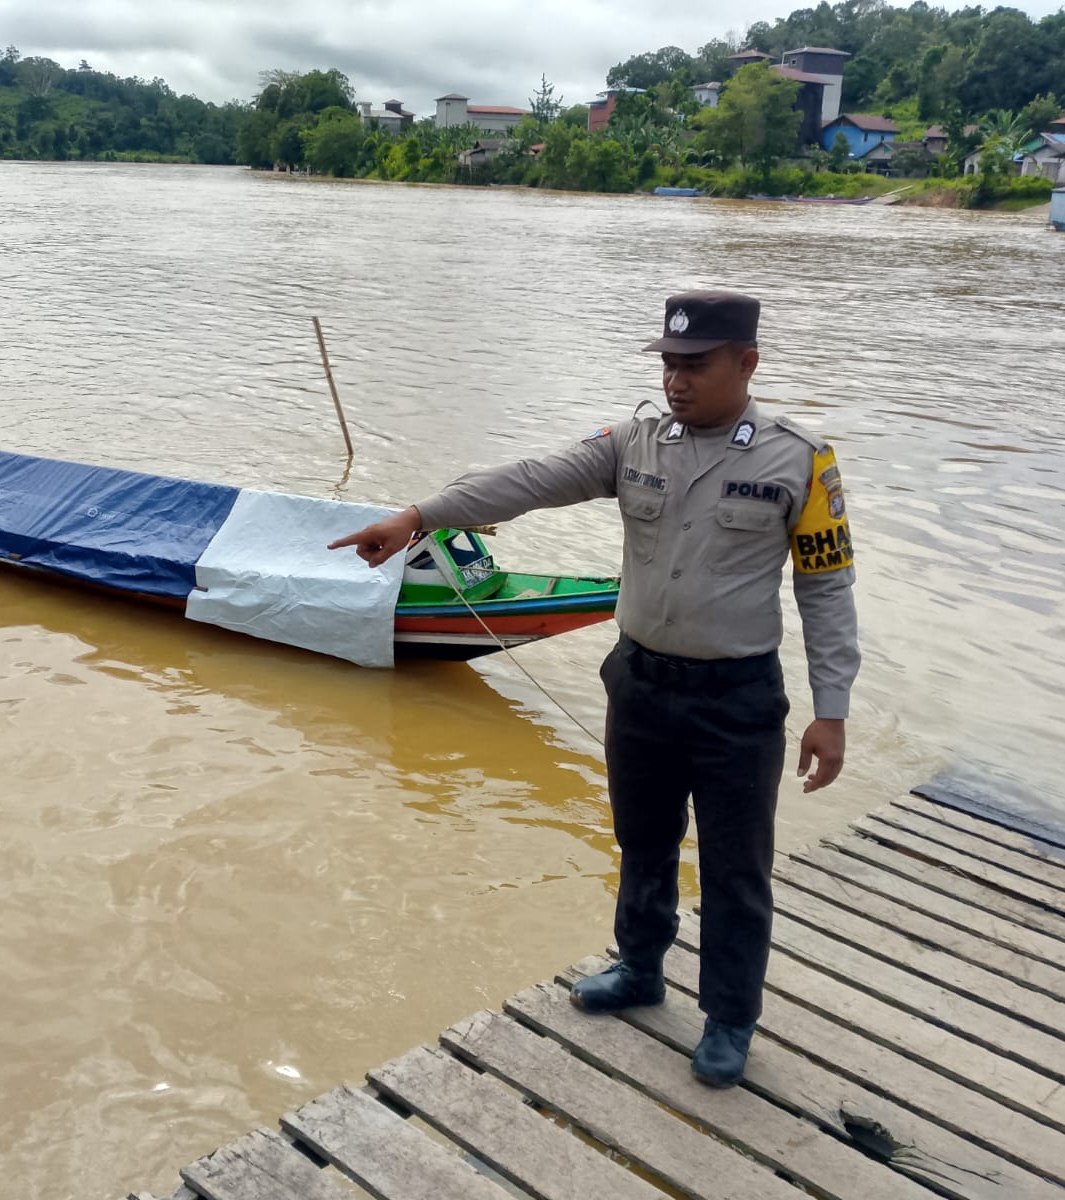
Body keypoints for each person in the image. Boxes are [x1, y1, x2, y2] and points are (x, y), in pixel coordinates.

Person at [328, 290, 859, 1087]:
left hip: (737, 699)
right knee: (642, 839)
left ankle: (729, 1018)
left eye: (696, 365)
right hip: (641, 684)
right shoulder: (634, 443)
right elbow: (530, 480)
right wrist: (418, 516)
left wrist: (832, 710)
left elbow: (827, 589)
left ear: (747, 363)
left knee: (735, 867)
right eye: (669, 364)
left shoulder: (800, 461)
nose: (676, 380)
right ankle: (640, 968)